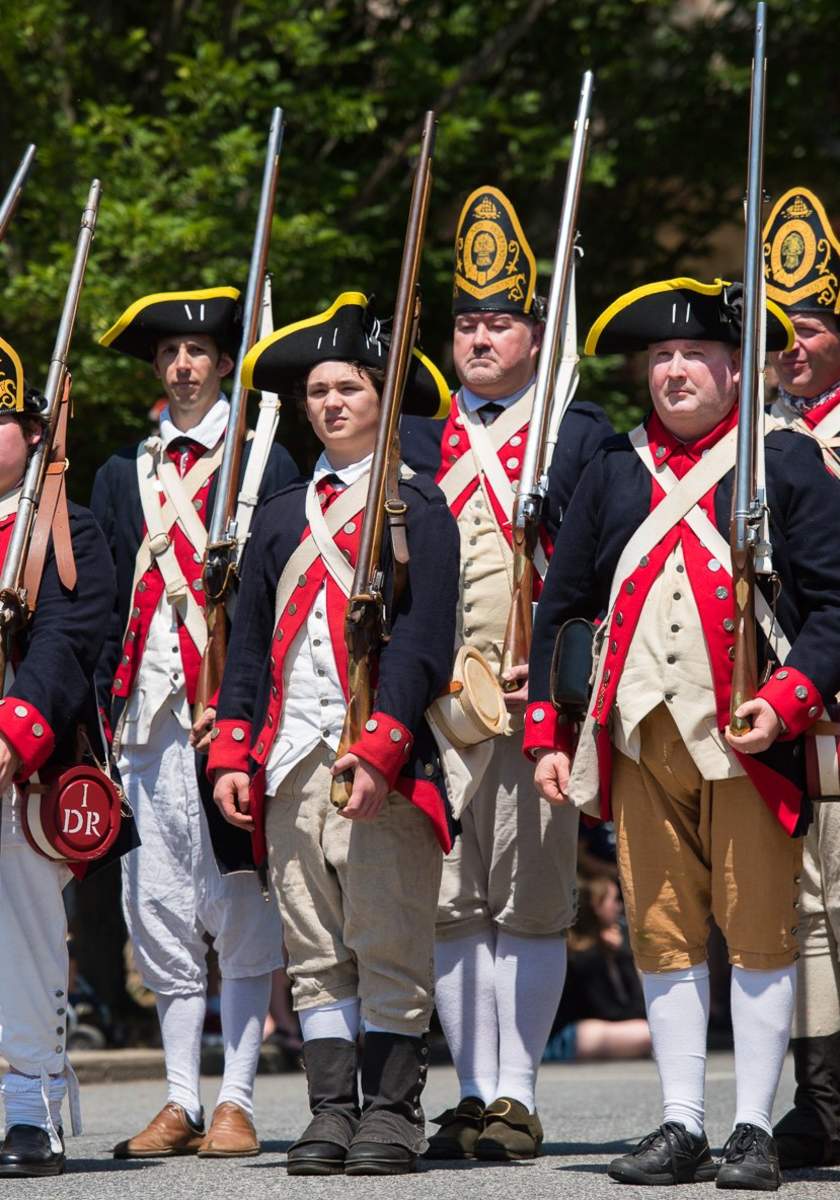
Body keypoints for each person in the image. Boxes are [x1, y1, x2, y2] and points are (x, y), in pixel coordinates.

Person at [527, 277, 840, 1190]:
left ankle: (750, 1126)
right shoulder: (612, 471)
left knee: (759, 928)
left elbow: (831, 605)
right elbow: (565, 607)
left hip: (749, 737)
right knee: (662, 933)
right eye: (660, 358)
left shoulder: (782, 463)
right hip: (637, 740)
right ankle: (680, 1121)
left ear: (735, 368)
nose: (674, 371)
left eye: (694, 355)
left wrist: (787, 699)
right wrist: (551, 734)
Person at [210, 291, 459, 1176]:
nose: (331, 403)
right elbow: (245, 651)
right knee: (313, 950)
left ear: (381, 399)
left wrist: (384, 745)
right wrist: (234, 750)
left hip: (374, 759)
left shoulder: (416, 508)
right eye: (318, 390)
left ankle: (391, 1112)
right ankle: (330, 1111)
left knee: (388, 938)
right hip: (289, 758)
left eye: (350, 386)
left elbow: (426, 642)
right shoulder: (278, 515)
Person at [400, 186, 613, 1162]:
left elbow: (608, 566)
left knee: (530, 899)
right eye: (468, 322)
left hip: (534, 705)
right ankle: (475, 1090)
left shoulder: (579, 433)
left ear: (536, 333)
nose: (480, 338)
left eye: (500, 322)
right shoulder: (412, 438)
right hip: (436, 705)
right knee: (450, 905)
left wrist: (567, 676)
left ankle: (518, 1098)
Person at [92, 288, 299, 1159]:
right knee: (160, 911)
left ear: (222, 365)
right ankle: (180, 1098)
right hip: (144, 720)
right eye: (170, 353)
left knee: (243, 907)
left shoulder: (264, 463)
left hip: (230, 718)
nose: (183, 365)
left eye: (199, 352)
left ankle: (238, 1100)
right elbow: (102, 605)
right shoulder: (119, 475)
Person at [0, 340, 116, 1177]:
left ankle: (31, 1111)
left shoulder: (65, 527)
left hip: (18, 765)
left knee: (26, 942)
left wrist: (12, 733)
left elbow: (67, 644)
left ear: (33, 432)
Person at [763, 187, 840, 1170]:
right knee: (805, 909)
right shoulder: (751, 444)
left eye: (810, 325)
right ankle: (822, 1103)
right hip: (785, 704)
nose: (793, 346)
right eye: (778, 330)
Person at [547, 875, 650, 1062]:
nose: (619, 907)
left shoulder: (598, 951)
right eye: (614, 900)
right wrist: (623, 957)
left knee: (648, 1030)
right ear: (595, 906)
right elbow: (609, 1011)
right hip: (565, 1036)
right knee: (646, 1033)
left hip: (594, 1027)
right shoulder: (585, 956)